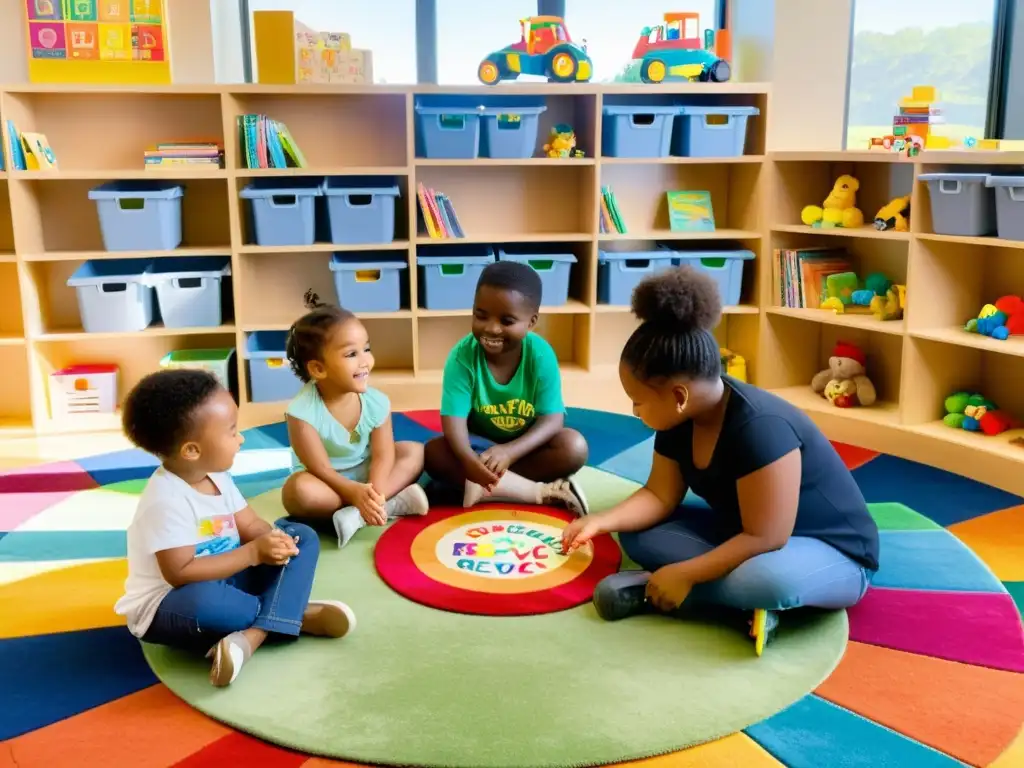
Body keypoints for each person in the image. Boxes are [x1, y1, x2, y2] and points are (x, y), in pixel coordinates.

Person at [561, 266, 879, 654]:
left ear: (678, 395)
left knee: (766, 583)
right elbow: (660, 496)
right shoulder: (681, 417)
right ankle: (727, 602)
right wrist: (600, 522)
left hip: (830, 551)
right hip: (743, 535)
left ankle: (667, 591)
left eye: (639, 401)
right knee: (638, 535)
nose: (633, 410)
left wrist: (688, 573)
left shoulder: (761, 427)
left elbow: (768, 536)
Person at [114, 370, 355, 687]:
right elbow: (180, 573)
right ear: (191, 450)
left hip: (231, 577)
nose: (240, 438)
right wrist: (254, 553)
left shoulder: (216, 476)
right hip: (172, 602)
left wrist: (271, 540)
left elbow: (250, 524)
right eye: (231, 432)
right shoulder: (166, 500)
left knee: (302, 536)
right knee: (209, 604)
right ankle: (291, 614)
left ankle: (252, 637)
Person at [424, 261, 589, 514]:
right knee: (433, 453)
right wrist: (468, 460)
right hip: (478, 448)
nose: (491, 328)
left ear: (531, 322)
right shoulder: (461, 357)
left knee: (573, 447)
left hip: (524, 449)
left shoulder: (541, 355)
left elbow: (553, 420)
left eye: (507, 320)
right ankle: (530, 490)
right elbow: (453, 422)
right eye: (481, 315)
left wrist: (509, 452)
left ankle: (481, 486)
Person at [281, 303, 428, 548]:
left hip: (367, 471)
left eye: (366, 349)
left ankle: (360, 514)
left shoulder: (376, 402)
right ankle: (389, 504)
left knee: (415, 451)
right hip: (328, 483)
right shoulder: (301, 412)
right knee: (297, 491)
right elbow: (321, 469)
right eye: (352, 354)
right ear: (319, 368)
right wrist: (352, 492)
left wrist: (373, 493)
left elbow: (383, 455)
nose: (365, 361)